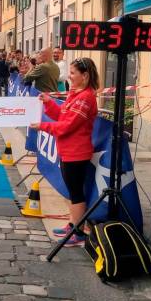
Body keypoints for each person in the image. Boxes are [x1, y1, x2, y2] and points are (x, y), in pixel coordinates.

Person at [31, 58, 99, 247]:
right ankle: (73, 224)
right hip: (68, 151)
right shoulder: (75, 93)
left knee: (76, 193)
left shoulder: (86, 97)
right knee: (72, 192)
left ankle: (78, 232)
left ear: (84, 76)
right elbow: (62, 114)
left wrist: (42, 126)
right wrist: (48, 102)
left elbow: (67, 126)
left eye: (72, 73)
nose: (69, 76)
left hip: (77, 153)